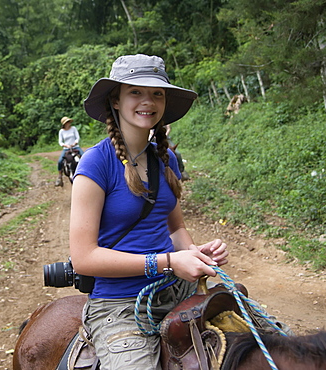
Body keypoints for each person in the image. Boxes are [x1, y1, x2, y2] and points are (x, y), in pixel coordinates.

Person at [69, 54, 229, 369]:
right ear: (115, 100)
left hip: (175, 288)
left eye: (157, 93)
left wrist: (194, 254)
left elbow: (175, 229)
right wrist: (169, 261)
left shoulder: (166, 158)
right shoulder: (95, 164)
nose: (148, 101)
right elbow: (83, 257)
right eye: (136, 92)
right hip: (120, 304)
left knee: (262, 332)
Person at [55, 116, 84, 186]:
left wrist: (75, 143)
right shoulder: (61, 131)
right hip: (66, 148)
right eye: (67, 122)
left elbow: (77, 137)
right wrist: (65, 145)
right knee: (60, 161)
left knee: (84, 156)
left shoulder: (73, 128)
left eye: (68, 122)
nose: (68, 123)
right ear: (64, 124)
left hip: (75, 147)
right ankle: (59, 177)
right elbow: (60, 142)